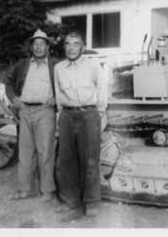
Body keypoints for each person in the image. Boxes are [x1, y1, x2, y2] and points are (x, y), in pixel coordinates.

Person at [53, 31, 108, 217]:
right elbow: (59, 96)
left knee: (90, 161)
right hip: (67, 116)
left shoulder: (93, 65)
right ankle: (70, 202)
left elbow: (102, 92)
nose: (71, 48)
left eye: (75, 44)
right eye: (68, 44)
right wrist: (61, 118)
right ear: (64, 47)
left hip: (89, 115)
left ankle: (91, 203)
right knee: (65, 162)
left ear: (82, 47)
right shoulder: (59, 68)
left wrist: (96, 116)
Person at [6, 29, 58, 202]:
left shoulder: (56, 65)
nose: (38, 47)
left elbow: (67, 85)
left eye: (42, 43)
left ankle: (47, 191)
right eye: (35, 44)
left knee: (46, 151)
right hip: (25, 111)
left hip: (45, 111)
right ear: (31, 47)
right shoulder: (22, 64)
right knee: (25, 151)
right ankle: (25, 190)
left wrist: (57, 98)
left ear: (48, 48)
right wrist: (14, 98)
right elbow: (9, 83)